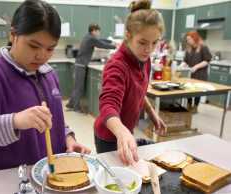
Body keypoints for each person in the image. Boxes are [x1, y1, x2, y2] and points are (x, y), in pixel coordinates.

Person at [0, 0, 90, 173]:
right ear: (13, 35)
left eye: (50, 49)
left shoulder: (49, 74)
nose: (42, 56)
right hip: (7, 184)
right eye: (33, 46)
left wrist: (68, 138)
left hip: (50, 179)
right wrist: (14, 121)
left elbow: (52, 119)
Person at [94, 0, 167, 166]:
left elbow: (138, 90)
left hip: (124, 132)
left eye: (154, 42)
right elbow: (107, 106)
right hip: (108, 136)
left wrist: (151, 113)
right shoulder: (117, 65)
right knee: (119, 180)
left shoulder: (144, 59)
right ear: (128, 35)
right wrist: (122, 132)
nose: (149, 49)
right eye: (143, 42)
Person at [66, 23, 117, 113]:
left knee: (77, 87)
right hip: (81, 65)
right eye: (98, 31)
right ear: (93, 30)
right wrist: (115, 46)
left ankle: (70, 104)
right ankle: (76, 108)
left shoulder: (89, 37)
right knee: (79, 88)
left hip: (79, 64)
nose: (98, 33)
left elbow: (100, 40)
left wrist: (110, 41)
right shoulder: (91, 38)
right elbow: (101, 44)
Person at [181, 31, 212, 113]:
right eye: (187, 40)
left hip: (200, 74)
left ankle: (195, 107)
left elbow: (207, 61)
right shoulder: (189, 48)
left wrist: (196, 67)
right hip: (191, 73)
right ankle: (189, 105)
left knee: (197, 91)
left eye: (189, 39)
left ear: (195, 38)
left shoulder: (203, 47)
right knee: (188, 90)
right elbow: (186, 61)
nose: (188, 41)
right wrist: (181, 66)